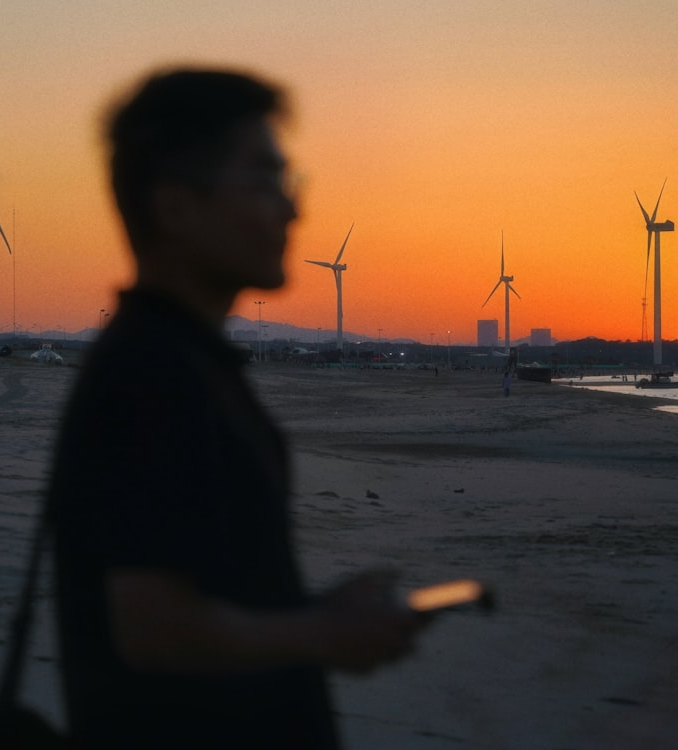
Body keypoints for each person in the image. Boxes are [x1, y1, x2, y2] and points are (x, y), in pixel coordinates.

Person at [47, 68, 425, 749]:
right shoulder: (149, 375)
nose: (291, 208)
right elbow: (152, 627)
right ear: (175, 208)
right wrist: (325, 633)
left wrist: (318, 612)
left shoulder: (185, 363)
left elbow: (209, 592)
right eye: (263, 179)